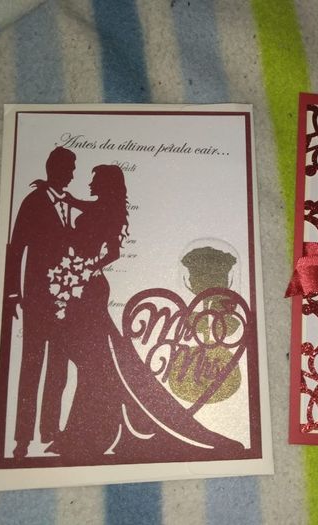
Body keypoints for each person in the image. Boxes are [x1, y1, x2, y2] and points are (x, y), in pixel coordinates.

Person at [47, 164, 244, 463]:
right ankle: (86, 432)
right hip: (78, 287)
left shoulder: (108, 211)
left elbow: (112, 251)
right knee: (93, 363)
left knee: (95, 363)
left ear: (106, 184)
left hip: (89, 288)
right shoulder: (100, 207)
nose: (89, 183)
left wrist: (86, 268)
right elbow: (82, 207)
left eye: (95, 180)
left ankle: (87, 434)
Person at [4, 146, 75, 459]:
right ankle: (22, 439)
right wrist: (12, 293)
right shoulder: (33, 202)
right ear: (54, 169)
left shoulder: (69, 204)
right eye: (68, 169)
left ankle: (50, 432)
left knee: (59, 367)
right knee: (31, 366)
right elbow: (16, 247)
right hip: (36, 298)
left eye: (72, 170)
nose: (72, 175)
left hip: (65, 301)